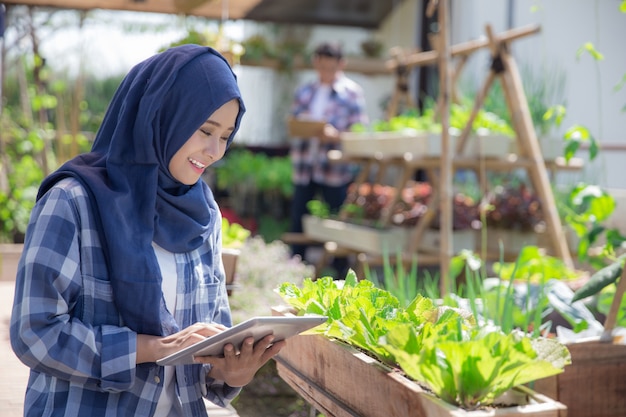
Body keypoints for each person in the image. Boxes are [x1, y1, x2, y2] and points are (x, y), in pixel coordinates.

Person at [10, 44, 285, 417]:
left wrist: (233, 371)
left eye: (226, 135)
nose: (215, 150)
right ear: (161, 115)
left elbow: (207, 353)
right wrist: (153, 349)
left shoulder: (204, 213)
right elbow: (35, 334)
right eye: (205, 130)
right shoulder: (73, 202)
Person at [288, 42, 368, 277]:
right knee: (299, 218)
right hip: (306, 165)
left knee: (338, 220)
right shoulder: (305, 92)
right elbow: (293, 123)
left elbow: (360, 131)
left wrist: (337, 135)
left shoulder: (352, 92)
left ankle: (342, 273)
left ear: (341, 65)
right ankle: (296, 269)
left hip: (335, 169)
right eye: (322, 66)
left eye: (330, 67)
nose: (325, 72)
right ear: (315, 63)